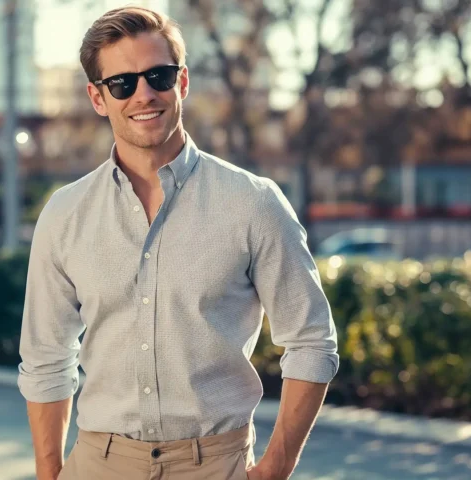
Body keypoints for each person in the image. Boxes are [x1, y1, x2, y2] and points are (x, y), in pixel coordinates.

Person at [18, 6, 338, 480]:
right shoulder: (65, 215)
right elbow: (46, 359)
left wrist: (274, 470)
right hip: (99, 465)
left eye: (159, 76)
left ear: (182, 83)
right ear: (98, 98)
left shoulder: (253, 202)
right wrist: (50, 474)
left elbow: (312, 341)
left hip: (216, 465)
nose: (144, 94)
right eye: (122, 83)